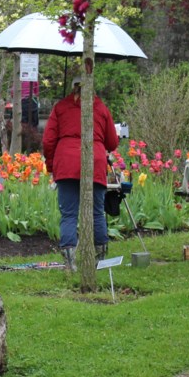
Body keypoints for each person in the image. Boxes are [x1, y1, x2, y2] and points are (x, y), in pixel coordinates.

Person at [42, 76, 119, 271]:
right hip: (95, 160)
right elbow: (112, 142)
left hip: (66, 162)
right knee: (97, 212)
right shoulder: (100, 108)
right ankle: (99, 260)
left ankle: (70, 262)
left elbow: (48, 141)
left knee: (68, 214)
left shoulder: (61, 108)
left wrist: (52, 166)